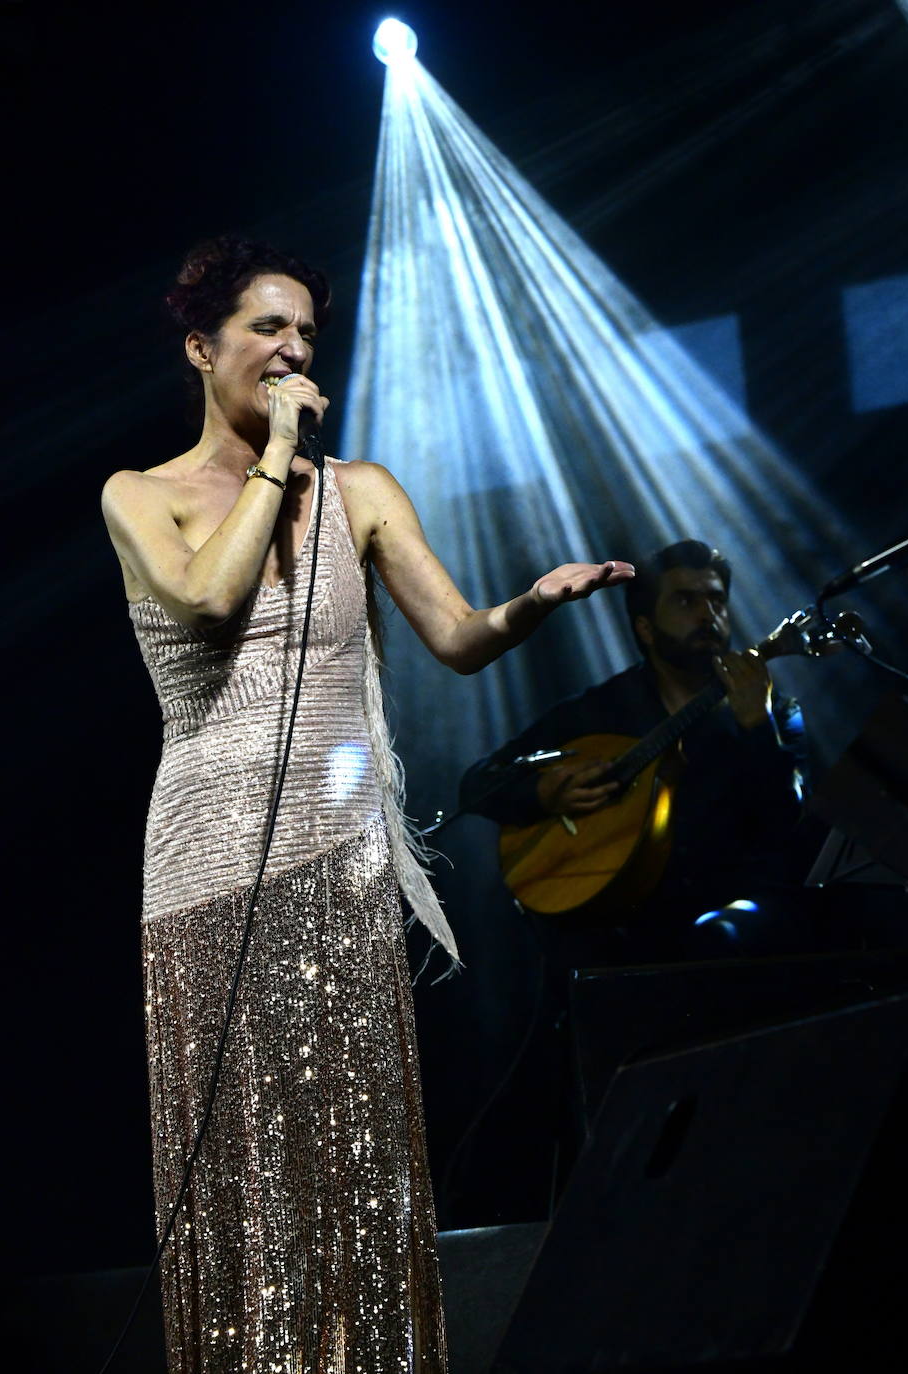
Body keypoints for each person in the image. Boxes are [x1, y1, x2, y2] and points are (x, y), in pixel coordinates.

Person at [101, 235, 634, 1374]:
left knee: (353, 1151)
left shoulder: (363, 493)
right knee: (244, 1161)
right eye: (266, 330)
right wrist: (276, 457)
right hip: (205, 867)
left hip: (334, 859)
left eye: (307, 335)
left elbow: (456, 639)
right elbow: (207, 597)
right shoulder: (138, 496)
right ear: (203, 349)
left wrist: (531, 604)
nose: (295, 352)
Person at [459, 539, 809, 960]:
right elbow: (478, 783)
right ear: (645, 628)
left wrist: (758, 725)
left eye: (716, 600)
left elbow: (790, 826)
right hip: (618, 934)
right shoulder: (601, 710)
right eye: (685, 601)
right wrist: (543, 793)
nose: (707, 615)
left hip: (733, 940)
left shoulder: (772, 709)